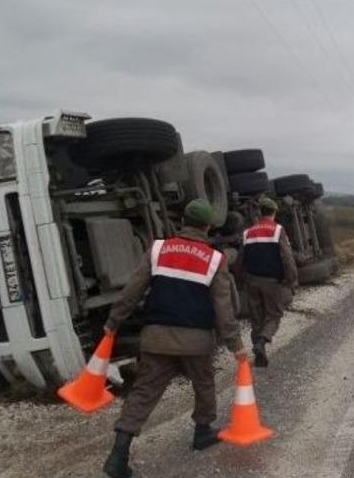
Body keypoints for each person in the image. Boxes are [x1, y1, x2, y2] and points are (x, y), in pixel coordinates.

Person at [102, 198, 248, 478]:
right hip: (197, 341)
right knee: (204, 383)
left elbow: (131, 291)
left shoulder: (158, 248)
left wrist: (113, 323)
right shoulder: (214, 259)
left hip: (156, 337)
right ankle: (203, 432)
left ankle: (119, 453)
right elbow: (223, 308)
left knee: (144, 391)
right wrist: (236, 345)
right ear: (206, 226)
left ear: (184, 221)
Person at [238, 196, 298, 367]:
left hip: (252, 281)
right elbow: (287, 258)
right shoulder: (278, 230)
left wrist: (241, 279)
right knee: (274, 314)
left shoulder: (247, 232)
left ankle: (259, 354)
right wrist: (291, 279)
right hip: (272, 282)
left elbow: (240, 260)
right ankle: (262, 341)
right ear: (274, 212)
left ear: (260, 211)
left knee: (256, 317)